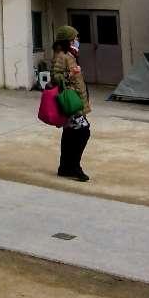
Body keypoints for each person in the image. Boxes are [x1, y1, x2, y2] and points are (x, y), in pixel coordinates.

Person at [51, 25, 91, 182]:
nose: (77, 41)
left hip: (75, 101)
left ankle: (65, 167)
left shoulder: (70, 55)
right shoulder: (62, 56)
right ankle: (74, 166)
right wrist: (70, 74)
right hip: (70, 102)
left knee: (70, 134)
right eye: (75, 38)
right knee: (83, 131)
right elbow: (55, 77)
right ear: (68, 40)